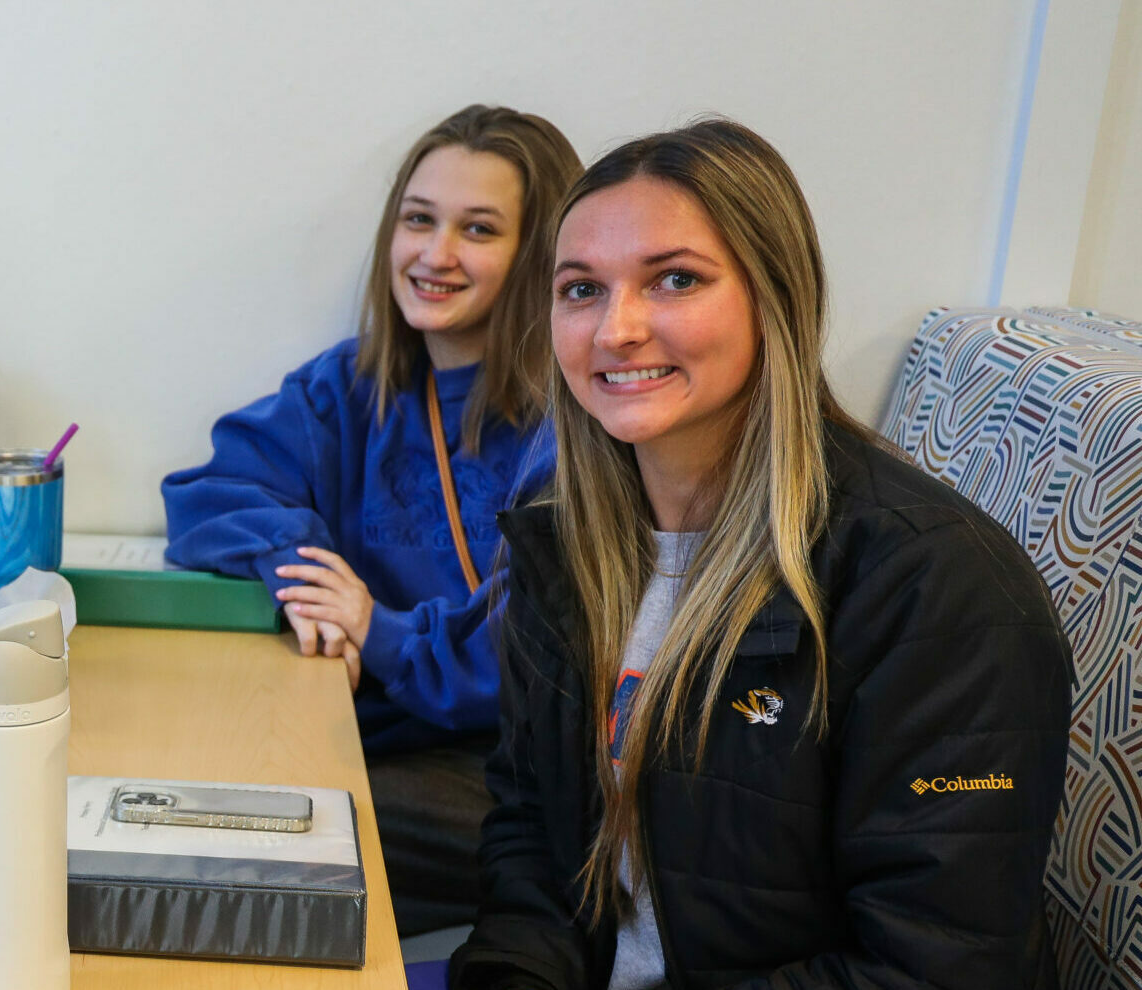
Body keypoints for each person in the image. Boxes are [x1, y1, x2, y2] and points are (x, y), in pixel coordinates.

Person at [452, 119, 1071, 988]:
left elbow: (935, 966)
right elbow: (531, 847)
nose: (616, 328)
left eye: (674, 280)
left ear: (776, 295)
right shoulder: (563, 541)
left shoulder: (939, 589)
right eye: (581, 289)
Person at [161, 104, 578, 934]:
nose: (436, 254)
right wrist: (314, 584)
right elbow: (210, 493)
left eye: (480, 230)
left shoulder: (574, 428)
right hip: (375, 735)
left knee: (237, 845)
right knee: (171, 790)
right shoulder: (352, 387)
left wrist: (377, 631)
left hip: (512, 776)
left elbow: (530, 647)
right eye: (418, 220)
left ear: (536, 258)